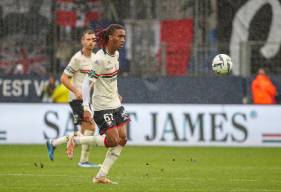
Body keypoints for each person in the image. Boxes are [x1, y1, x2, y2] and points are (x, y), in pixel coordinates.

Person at [66, 24, 130, 184]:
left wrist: (116, 94)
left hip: (115, 103)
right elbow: (87, 83)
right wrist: (86, 107)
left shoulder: (116, 55)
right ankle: (75, 140)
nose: (123, 40)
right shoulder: (99, 59)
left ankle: (100, 176)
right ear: (110, 37)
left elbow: (111, 79)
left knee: (123, 139)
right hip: (102, 106)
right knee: (113, 141)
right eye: (120, 36)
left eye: (124, 36)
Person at [46, 29, 99, 168]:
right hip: (77, 100)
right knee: (91, 127)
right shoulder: (77, 59)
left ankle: (54, 143)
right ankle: (83, 161)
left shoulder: (95, 59)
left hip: (87, 100)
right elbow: (63, 78)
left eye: (93, 39)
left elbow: (95, 79)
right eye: (88, 39)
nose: (91, 42)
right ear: (82, 41)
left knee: (83, 132)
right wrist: (76, 90)